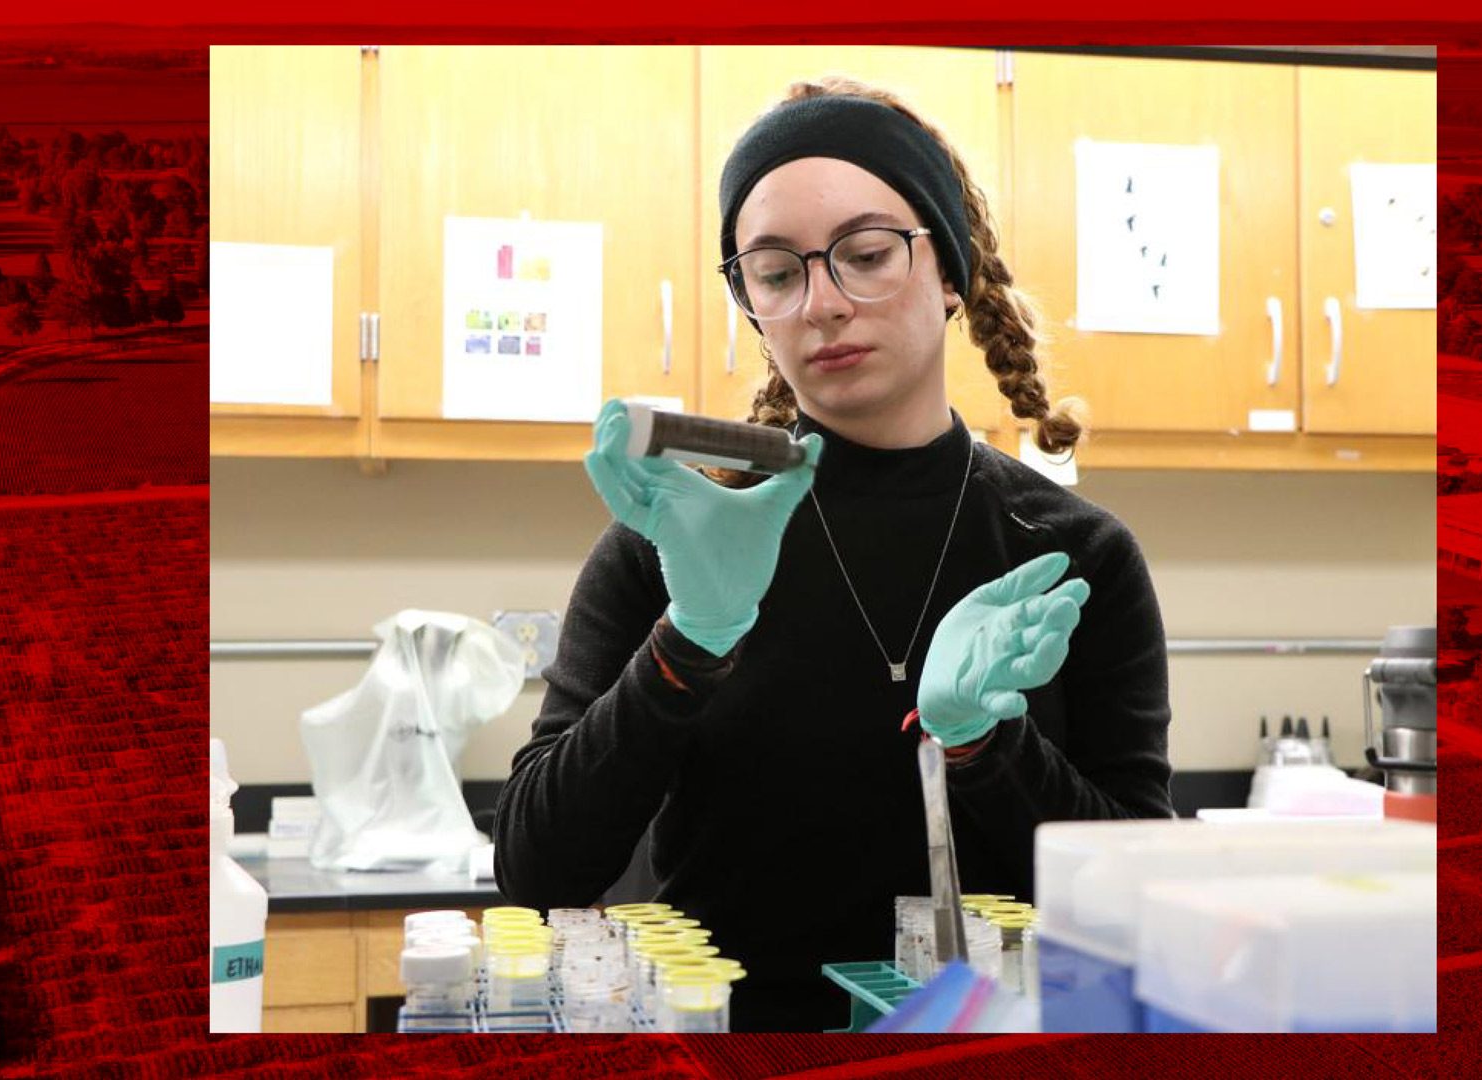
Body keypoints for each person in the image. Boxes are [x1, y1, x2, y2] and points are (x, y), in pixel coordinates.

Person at [494, 76, 1173, 1032]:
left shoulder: (1070, 555)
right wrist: (690, 643)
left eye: (864, 254)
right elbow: (536, 867)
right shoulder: (675, 543)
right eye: (776, 272)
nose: (822, 303)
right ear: (752, 303)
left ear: (949, 273)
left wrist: (986, 744)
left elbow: (1137, 894)